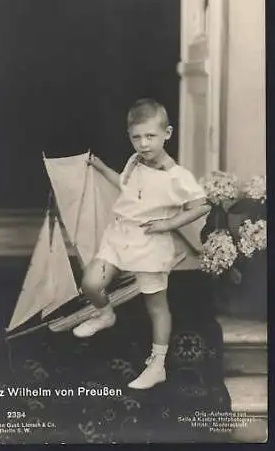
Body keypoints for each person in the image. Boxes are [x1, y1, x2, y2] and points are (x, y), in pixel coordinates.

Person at [72, 98, 209, 389]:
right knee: (91, 283)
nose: (144, 144)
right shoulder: (135, 161)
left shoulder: (176, 176)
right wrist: (99, 166)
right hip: (119, 236)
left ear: (167, 134)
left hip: (150, 244)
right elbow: (124, 185)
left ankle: (157, 364)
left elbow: (201, 206)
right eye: (137, 137)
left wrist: (168, 224)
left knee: (155, 306)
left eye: (151, 136)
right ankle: (105, 313)